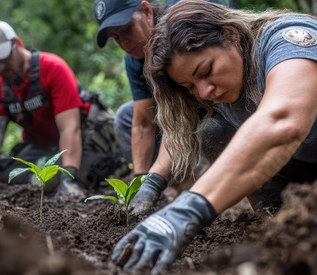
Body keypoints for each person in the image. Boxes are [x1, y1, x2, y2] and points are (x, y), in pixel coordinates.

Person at [111, 0, 317, 275]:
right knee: (213, 131)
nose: (205, 91)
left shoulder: (287, 39)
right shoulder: (219, 84)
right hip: (313, 165)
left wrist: (186, 210)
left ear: (230, 34)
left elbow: (282, 121)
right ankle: (281, 226)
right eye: (190, 86)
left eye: (206, 71)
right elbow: (179, 132)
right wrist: (152, 184)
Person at [93, 0, 238, 216]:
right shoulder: (134, 60)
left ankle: (222, 184)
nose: (124, 42)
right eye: (116, 37)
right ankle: (177, 182)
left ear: (146, 11)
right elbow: (142, 123)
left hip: (222, 101)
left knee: (212, 126)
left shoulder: (184, 22)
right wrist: (141, 183)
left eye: (126, 30)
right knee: (127, 115)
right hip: (183, 119)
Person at [0, 21, 120, 199]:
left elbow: (70, 128)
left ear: (18, 43)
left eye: (4, 58)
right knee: (3, 176)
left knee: (63, 178)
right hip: (42, 143)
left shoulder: (52, 68)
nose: (1, 67)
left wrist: (68, 178)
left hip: (83, 135)